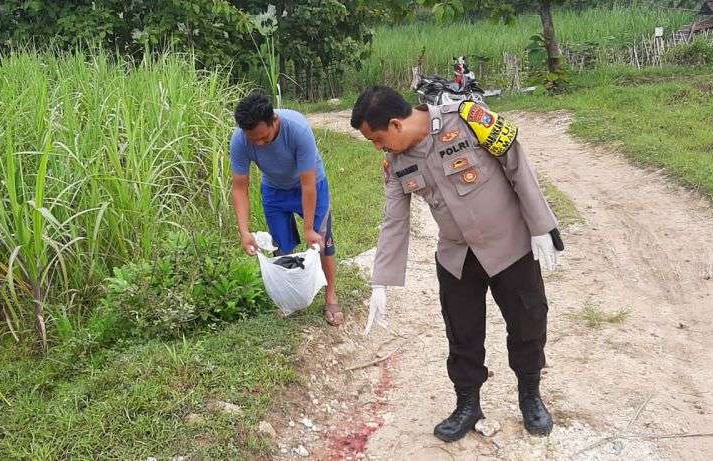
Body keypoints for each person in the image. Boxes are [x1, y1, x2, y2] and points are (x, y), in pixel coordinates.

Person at [350, 86, 562, 441]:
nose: (377, 147)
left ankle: (530, 395)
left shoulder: (468, 119)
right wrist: (380, 281)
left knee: (528, 322)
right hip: (457, 257)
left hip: (510, 245)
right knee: (462, 335)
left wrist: (541, 226)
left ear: (395, 124)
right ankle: (468, 404)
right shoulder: (396, 163)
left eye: (377, 139)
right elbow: (394, 221)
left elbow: (516, 163)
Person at [229, 91, 343, 326]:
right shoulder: (240, 140)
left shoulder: (297, 129)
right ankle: (290, 297)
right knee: (282, 247)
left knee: (322, 242)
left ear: (275, 122)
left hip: (311, 187)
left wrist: (309, 228)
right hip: (274, 190)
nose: (259, 144)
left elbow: (308, 183)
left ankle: (331, 295)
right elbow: (240, 187)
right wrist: (244, 231)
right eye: (254, 140)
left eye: (264, 137)